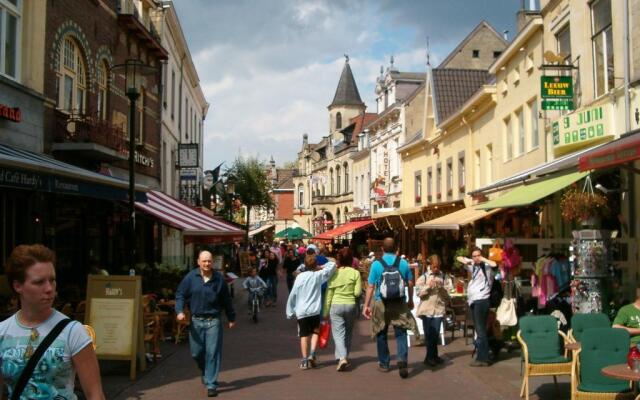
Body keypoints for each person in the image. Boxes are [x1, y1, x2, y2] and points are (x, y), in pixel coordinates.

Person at [0, 244, 105, 400]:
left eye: (52, 280)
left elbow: (95, 394)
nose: (49, 289)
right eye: (39, 282)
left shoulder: (73, 332)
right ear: (18, 286)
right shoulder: (3, 332)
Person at [176, 250, 236, 397]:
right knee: (196, 353)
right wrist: (179, 311)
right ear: (198, 262)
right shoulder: (191, 277)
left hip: (213, 321)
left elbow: (226, 300)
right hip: (196, 321)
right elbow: (180, 294)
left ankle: (211, 383)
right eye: (204, 261)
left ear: (212, 262)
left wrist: (231, 317)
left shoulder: (218, 279)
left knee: (213, 353)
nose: (207, 263)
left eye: (209, 261)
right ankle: (205, 371)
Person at [362, 237, 414, 379]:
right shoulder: (403, 263)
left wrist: (366, 305)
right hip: (399, 302)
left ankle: (384, 363)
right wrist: (410, 299)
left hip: (381, 302)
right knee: (401, 332)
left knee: (381, 332)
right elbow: (410, 282)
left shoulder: (376, 264)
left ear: (383, 249)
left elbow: (371, 286)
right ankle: (402, 360)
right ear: (396, 248)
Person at [286, 255, 336, 370]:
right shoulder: (318, 275)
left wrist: (290, 310)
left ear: (305, 265)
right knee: (315, 332)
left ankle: (304, 360)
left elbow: (293, 294)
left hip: (302, 311)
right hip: (314, 310)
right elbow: (332, 265)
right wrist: (321, 266)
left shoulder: (299, 277)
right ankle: (312, 354)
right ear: (315, 265)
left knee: (303, 335)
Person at [457, 247, 497, 367]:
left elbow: (494, 263)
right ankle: (483, 356)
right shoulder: (472, 265)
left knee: (480, 330)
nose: (476, 258)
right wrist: (469, 261)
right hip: (474, 301)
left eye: (478, 255)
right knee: (480, 330)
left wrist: (482, 259)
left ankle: (482, 358)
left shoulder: (487, 267)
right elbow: (459, 258)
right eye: (474, 256)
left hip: (481, 300)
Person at [323, 248, 361, 371]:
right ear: (351, 259)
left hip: (336, 305)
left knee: (338, 333)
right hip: (350, 305)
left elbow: (329, 295)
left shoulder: (334, 273)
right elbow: (357, 292)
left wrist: (325, 312)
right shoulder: (355, 273)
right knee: (348, 332)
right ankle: (343, 356)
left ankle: (341, 357)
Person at [415, 254, 450, 366]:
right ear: (430, 266)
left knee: (435, 335)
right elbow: (419, 293)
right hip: (427, 310)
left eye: (438, 267)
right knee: (429, 335)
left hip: (438, 309)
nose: (436, 269)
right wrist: (428, 287)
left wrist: (441, 287)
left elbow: (448, 294)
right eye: (434, 267)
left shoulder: (444, 277)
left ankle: (432, 357)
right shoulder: (424, 277)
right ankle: (431, 357)